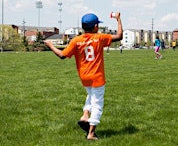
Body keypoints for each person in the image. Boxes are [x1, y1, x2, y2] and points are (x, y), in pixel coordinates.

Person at [45, 12, 123, 140]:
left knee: (90, 96)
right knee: (97, 104)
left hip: (84, 77)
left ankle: (85, 115)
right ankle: (91, 133)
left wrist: (50, 45)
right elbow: (119, 36)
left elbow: (62, 55)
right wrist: (118, 19)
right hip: (97, 77)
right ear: (95, 27)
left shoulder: (76, 40)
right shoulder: (100, 38)